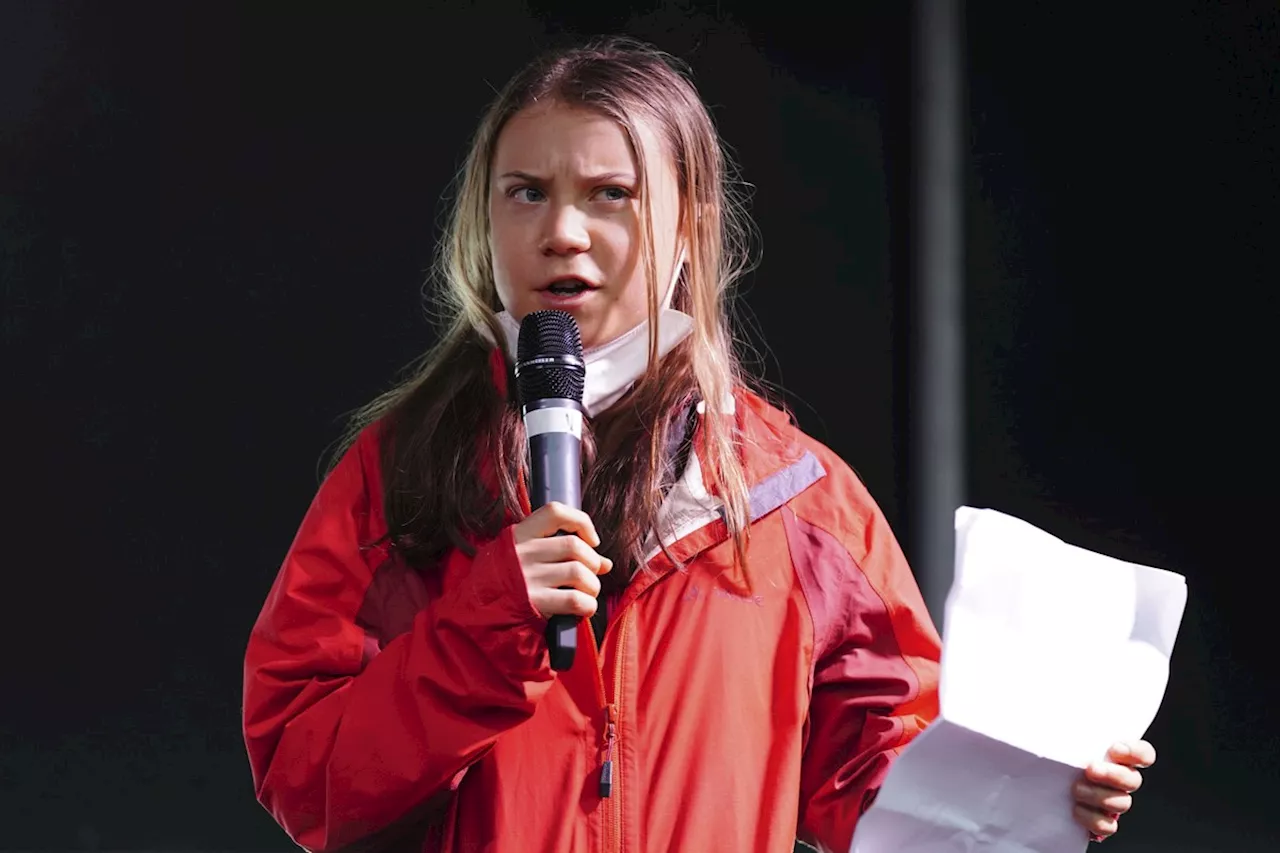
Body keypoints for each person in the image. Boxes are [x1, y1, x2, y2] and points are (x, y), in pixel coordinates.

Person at [241, 36, 1155, 853]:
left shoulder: (797, 498)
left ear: (692, 226)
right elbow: (304, 779)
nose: (562, 231)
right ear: (487, 220)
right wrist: (487, 625)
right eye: (527, 193)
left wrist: (1037, 788)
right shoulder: (395, 475)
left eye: (611, 195)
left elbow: (883, 788)